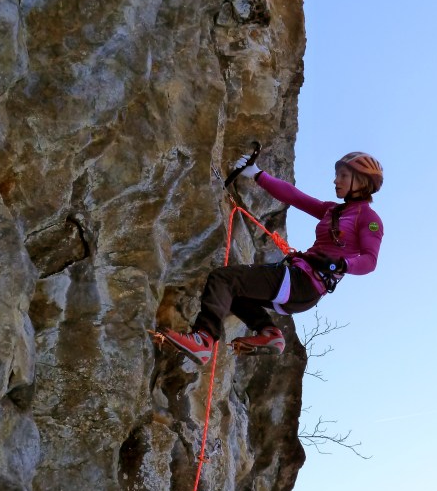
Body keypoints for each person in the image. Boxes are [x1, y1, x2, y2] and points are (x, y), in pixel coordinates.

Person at [155, 152, 384, 364]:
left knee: (223, 279)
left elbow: (370, 260)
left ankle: (203, 340)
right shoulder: (332, 210)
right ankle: (270, 334)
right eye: (337, 175)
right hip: (301, 285)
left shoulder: (369, 219)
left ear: (362, 182)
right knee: (231, 293)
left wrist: (341, 264)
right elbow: (295, 197)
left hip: (303, 282)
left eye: (343, 175)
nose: (336, 180)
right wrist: (257, 174)